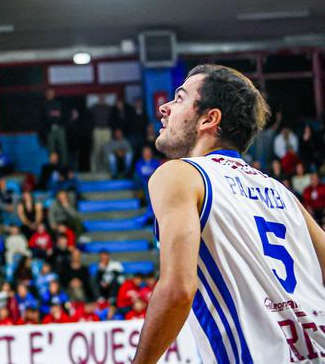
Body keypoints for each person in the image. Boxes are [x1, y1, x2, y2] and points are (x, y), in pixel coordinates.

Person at [132, 65, 325, 363]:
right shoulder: (282, 193)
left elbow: (178, 291)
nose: (164, 107)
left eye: (179, 98)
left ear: (210, 119)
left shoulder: (179, 175)